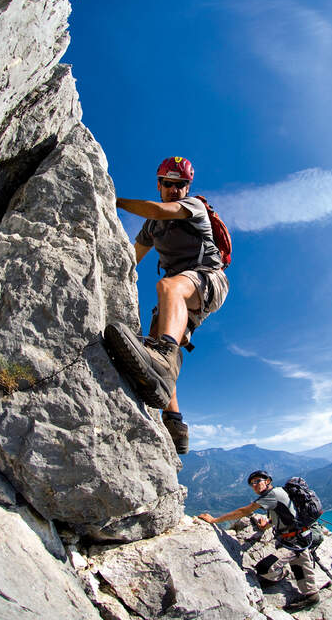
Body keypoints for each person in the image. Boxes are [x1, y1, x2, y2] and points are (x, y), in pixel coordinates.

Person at [104, 156, 229, 454]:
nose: (174, 190)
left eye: (181, 185)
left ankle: (164, 352)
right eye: (169, 184)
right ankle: (174, 422)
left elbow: (159, 210)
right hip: (182, 296)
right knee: (152, 344)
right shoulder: (151, 228)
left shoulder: (193, 207)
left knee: (167, 287)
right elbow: (132, 258)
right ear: (159, 184)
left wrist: (112, 199)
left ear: (187, 188)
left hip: (207, 280)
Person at [198, 470, 320, 612]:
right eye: (252, 484)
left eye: (257, 481)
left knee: (265, 569)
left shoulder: (272, 495)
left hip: (294, 541)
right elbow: (282, 513)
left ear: (268, 481)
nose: (254, 485)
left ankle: (302, 590)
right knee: (299, 567)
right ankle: (310, 593)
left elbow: (244, 511)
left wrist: (215, 520)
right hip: (295, 538)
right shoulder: (277, 492)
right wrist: (267, 524)